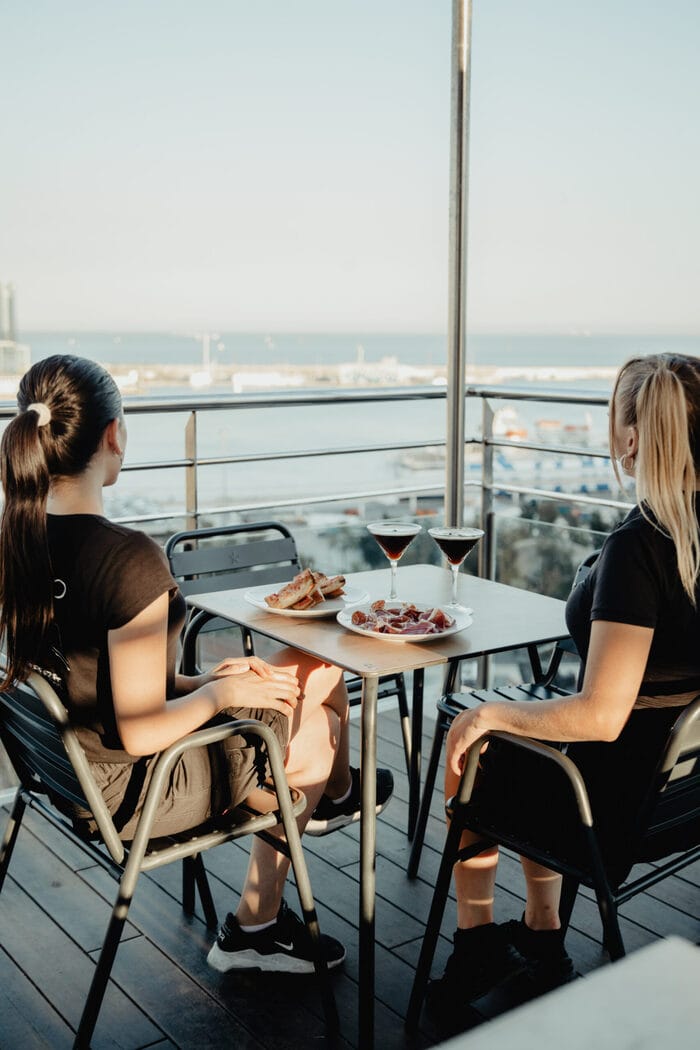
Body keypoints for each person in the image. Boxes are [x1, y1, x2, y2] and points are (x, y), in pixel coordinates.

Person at [0, 354, 393, 976]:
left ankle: (334, 800)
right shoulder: (126, 559)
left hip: (68, 777)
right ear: (113, 435)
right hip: (137, 790)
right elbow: (140, 730)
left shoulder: (15, 540)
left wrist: (209, 679)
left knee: (303, 676)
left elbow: (94, 682)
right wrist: (218, 697)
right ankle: (265, 908)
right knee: (316, 707)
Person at [427, 352, 700, 1027]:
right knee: (526, 734)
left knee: (476, 742)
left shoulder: (643, 547)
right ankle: (543, 935)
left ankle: (476, 942)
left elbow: (601, 715)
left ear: (631, 438)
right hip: (681, 797)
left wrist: (489, 715)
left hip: (610, 806)